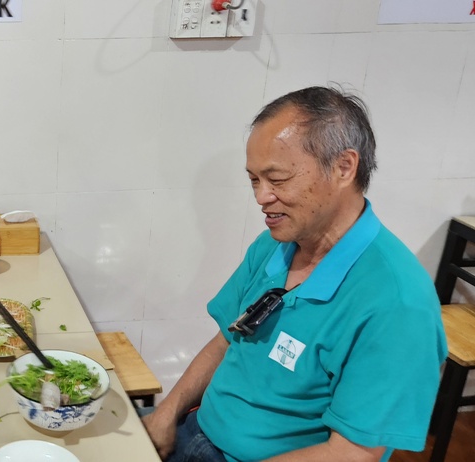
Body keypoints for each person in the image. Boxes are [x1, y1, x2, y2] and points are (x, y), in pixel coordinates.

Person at [141, 87, 448, 462]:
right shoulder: (275, 245)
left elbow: (353, 453)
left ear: (343, 167)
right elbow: (226, 341)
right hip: (198, 430)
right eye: (254, 180)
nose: (261, 197)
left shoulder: (398, 303)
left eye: (278, 179)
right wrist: (167, 413)